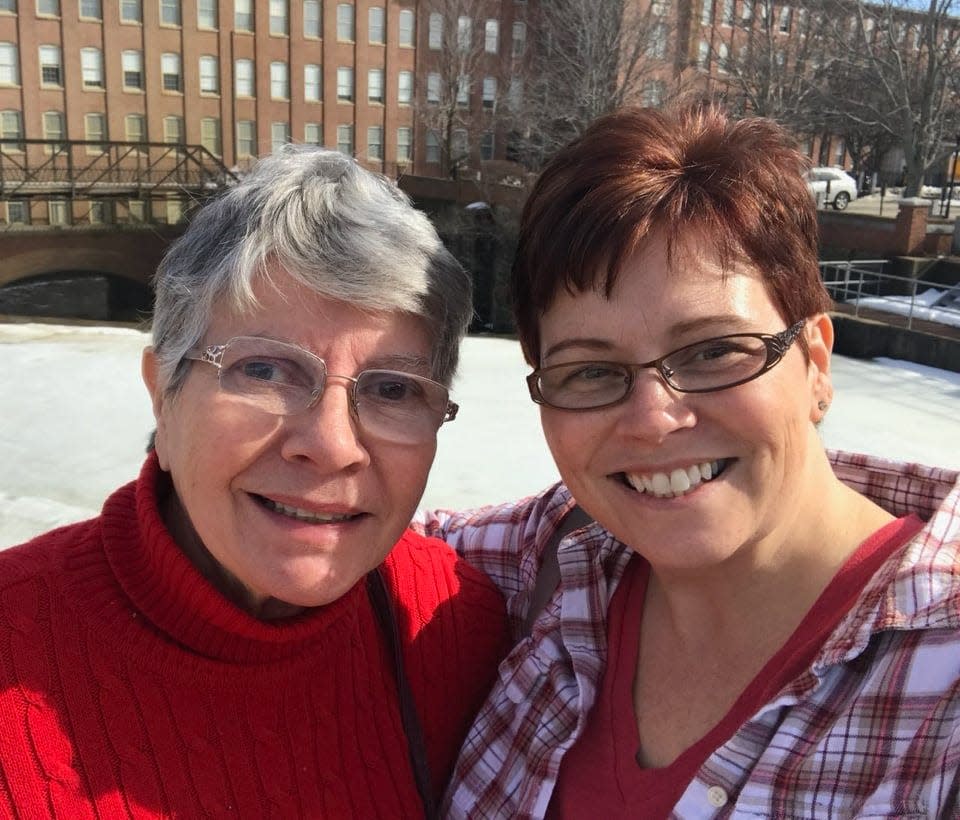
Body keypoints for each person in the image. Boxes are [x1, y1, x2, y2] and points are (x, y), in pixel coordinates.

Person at [416, 104, 960, 818]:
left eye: (713, 352)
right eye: (589, 371)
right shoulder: (548, 563)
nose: (652, 420)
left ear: (817, 363)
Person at [0, 146, 508, 817]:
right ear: (163, 391)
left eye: (392, 388)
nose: (332, 445)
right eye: (264, 371)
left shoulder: (457, 629)